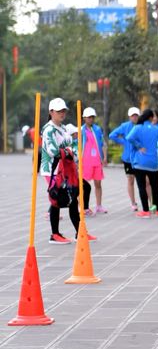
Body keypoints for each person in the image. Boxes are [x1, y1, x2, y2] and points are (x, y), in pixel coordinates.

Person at [40, 98, 96, 244]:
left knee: (72, 200)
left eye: (63, 111)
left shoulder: (64, 129)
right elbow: (53, 151)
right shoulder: (48, 129)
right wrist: (68, 151)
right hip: (52, 170)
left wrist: (70, 151)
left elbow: (75, 148)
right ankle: (55, 234)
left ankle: (80, 233)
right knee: (56, 200)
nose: (62, 113)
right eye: (59, 111)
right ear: (51, 112)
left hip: (66, 170)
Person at [127, 109, 158, 219]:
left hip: (140, 162)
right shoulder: (156, 130)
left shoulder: (137, 128)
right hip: (153, 163)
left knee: (141, 187)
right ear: (150, 118)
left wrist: (139, 146)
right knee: (155, 187)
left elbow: (129, 138)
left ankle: (145, 211)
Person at [109, 107, 140, 211]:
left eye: (136, 115)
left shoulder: (142, 126)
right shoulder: (125, 126)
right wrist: (124, 142)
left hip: (140, 158)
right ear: (129, 116)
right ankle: (133, 203)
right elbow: (112, 135)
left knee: (144, 181)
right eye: (132, 115)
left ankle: (149, 202)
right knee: (130, 180)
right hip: (127, 158)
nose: (134, 117)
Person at [80, 107, 107, 214]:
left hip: (97, 161)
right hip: (85, 161)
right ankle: (82, 206)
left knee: (98, 184)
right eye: (89, 117)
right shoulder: (81, 130)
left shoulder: (97, 129)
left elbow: (103, 143)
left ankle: (99, 206)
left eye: (92, 117)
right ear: (84, 118)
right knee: (83, 186)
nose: (91, 119)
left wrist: (104, 157)